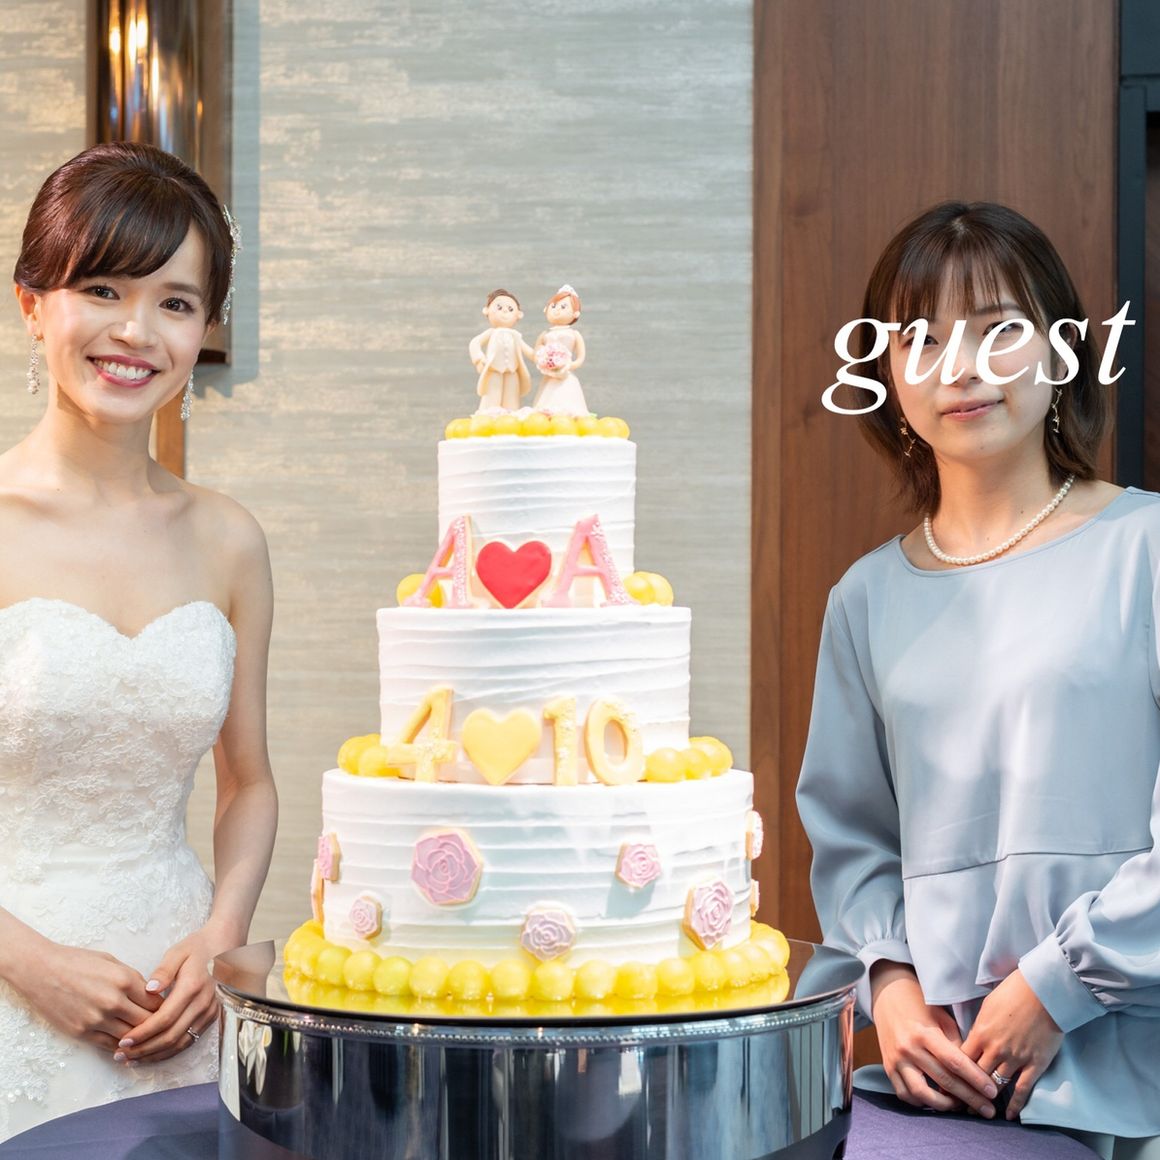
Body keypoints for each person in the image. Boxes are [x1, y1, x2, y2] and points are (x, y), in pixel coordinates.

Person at [796, 201, 1160, 1160]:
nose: (958, 367)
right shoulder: (865, 599)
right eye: (918, 339)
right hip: (939, 1085)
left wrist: (1057, 987)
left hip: (1128, 1064)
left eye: (998, 329)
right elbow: (853, 839)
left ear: (1064, 350)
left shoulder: (1147, 548)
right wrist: (890, 988)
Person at [0, 142, 277, 1141]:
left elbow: (248, 781)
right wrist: (29, 961)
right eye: (103, 289)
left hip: (181, 998)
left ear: (204, 327)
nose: (136, 331)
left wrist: (221, 936)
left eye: (175, 301)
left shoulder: (229, 538)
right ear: (34, 303)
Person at [469, 289, 534, 411]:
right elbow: (475, 343)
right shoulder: (491, 333)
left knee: (512, 398)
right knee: (492, 395)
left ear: (519, 314)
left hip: (512, 371)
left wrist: (540, 357)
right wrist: (479, 359)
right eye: (499, 307)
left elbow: (528, 350)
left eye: (510, 309)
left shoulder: (516, 336)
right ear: (486, 310)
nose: (505, 311)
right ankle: (489, 414)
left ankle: (511, 414)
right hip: (494, 370)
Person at [532, 284, 589, 415]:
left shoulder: (574, 334)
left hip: (566, 376)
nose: (557, 309)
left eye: (563, 307)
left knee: (568, 407)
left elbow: (580, 357)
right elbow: (536, 354)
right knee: (545, 405)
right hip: (549, 376)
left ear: (575, 313)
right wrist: (543, 362)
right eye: (553, 306)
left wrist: (569, 365)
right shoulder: (545, 334)